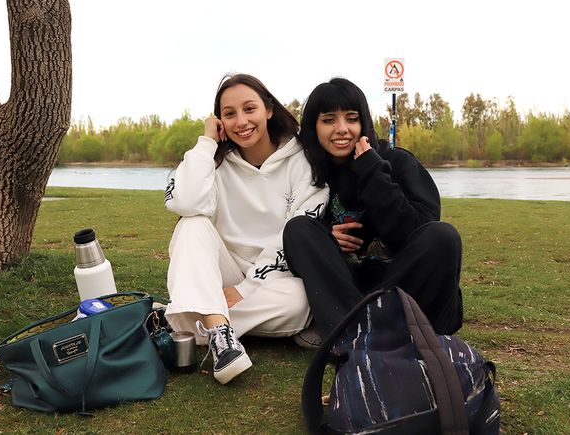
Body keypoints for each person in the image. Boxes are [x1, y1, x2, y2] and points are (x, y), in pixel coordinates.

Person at [164, 73, 329, 384]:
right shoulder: (214, 162)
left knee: (301, 301)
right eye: (229, 114)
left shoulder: (302, 160)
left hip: (274, 280)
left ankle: (187, 321)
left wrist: (245, 289)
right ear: (219, 121)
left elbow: (297, 232)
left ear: (268, 109)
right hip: (222, 274)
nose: (241, 121)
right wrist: (206, 143)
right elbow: (183, 201)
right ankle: (221, 335)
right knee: (192, 224)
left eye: (249, 109)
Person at [282, 77, 463, 345]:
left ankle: (357, 331)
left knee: (443, 236)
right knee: (297, 229)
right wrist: (329, 239)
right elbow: (306, 250)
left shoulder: (397, 162)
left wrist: (371, 171)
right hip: (351, 291)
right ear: (314, 126)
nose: (342, 129)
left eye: (351, 119)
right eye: (329, 120)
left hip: (407, 286)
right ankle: (359, 332)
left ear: (363, 121)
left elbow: (419, 233)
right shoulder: (309, 173)